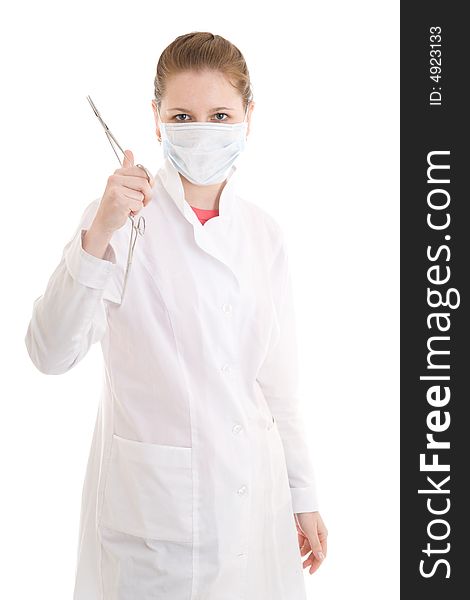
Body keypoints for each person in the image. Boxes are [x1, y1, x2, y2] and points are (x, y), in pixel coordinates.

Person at [24, 31, 328, 600]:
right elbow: (47, 351)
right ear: (157, 120)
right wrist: (102, 231)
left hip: (255, 507)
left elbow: (279, 388)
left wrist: (303, 495)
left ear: (248, 117)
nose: (203, 131)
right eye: (184, 116)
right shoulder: (119, 219)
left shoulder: (264, 234)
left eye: (220, 114)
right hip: (157, 525)